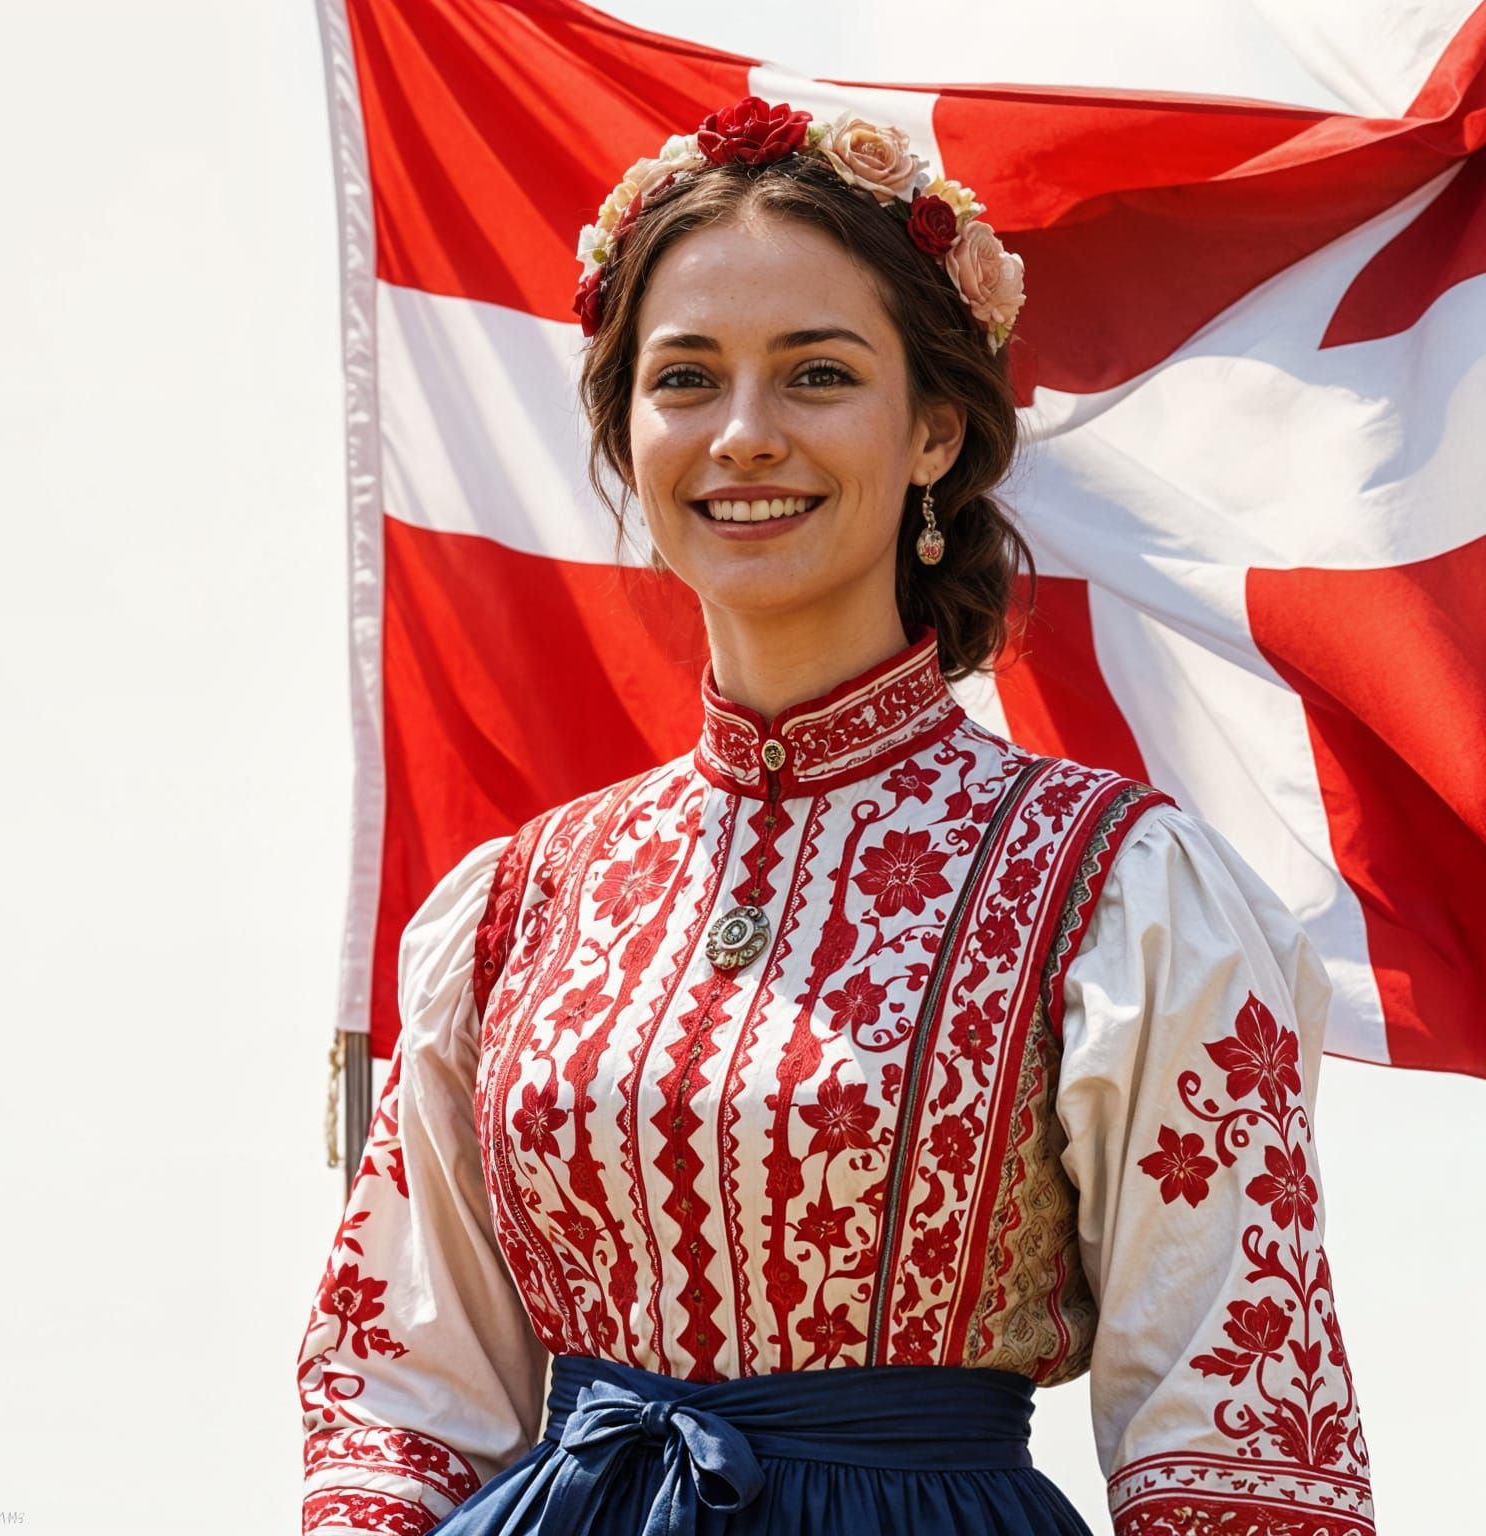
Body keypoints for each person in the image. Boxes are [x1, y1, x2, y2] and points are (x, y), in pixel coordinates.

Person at [296, 97, 1375, 1536]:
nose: (744, 435)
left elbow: (1238, 1445)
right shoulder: (511, 907)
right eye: (685, 378)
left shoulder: (1119, 888)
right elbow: (396, 1399)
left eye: (815, 374)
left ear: (934, 429)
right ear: (627, 429)